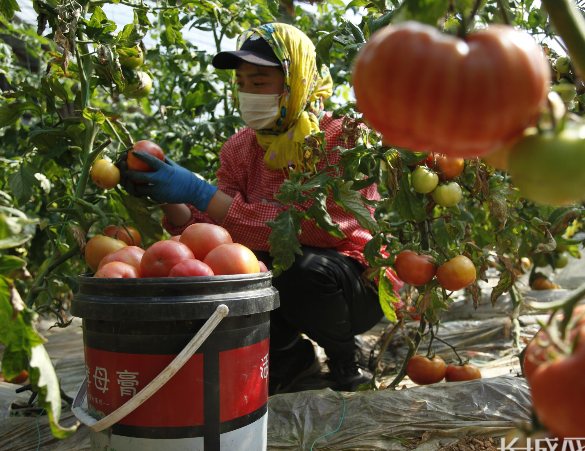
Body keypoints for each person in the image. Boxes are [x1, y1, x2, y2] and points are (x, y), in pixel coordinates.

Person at [120, 23, 387, 393]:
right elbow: (212, 233)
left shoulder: (342, 139)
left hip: (351, 285)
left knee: (298, 265)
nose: (248, 94)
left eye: (259, 83)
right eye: (242, 84)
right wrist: (168, 195)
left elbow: (319, 229)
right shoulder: (239, 149)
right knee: (229, 267)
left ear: (296, 82)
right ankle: (291, 356)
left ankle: (345, 357)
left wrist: (198, 191)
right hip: (282, 279)